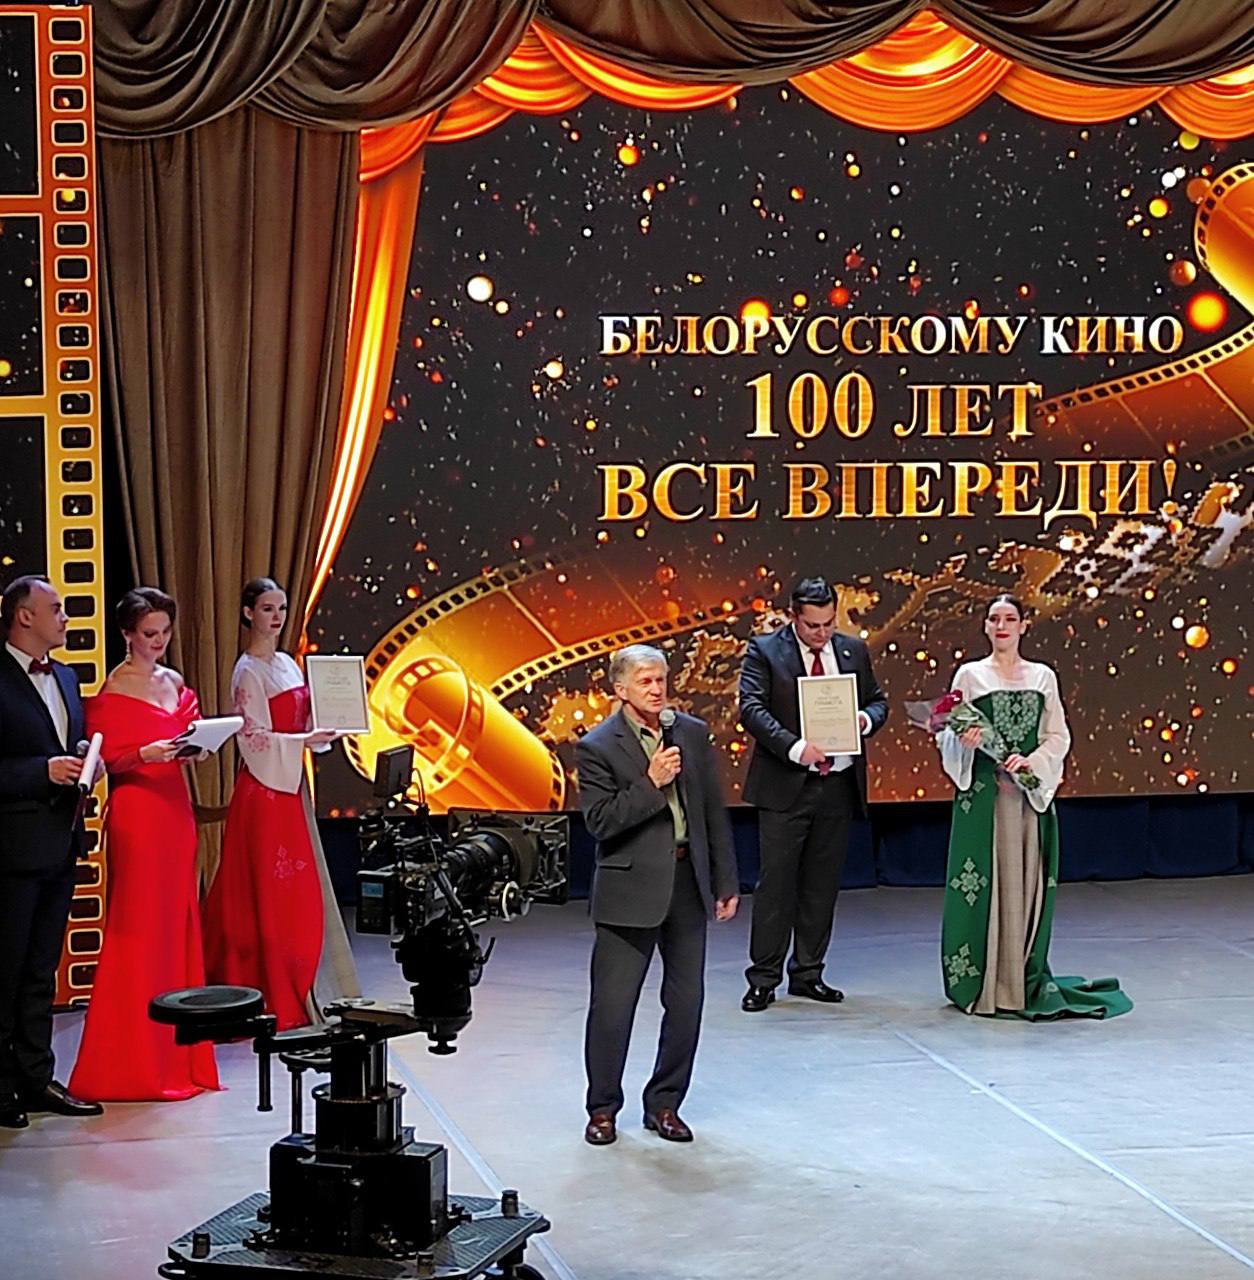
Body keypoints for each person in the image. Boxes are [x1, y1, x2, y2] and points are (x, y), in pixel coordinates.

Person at [937, 595, 1131, 1019]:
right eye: (994, 619)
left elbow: (1057, 736)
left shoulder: (1043, 676)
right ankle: (985, 982)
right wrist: (963, 740)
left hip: (1026, 795)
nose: (1001, 626)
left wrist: (1032, 763)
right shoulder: (970, 675)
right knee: (984, 883)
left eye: (1010, 619)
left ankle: (1019, 976)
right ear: (985, 626)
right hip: (983, 797)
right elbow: (947, 731)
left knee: (1025, 880)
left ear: (1024, 625)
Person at [576, 645, 738, 1146]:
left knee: (686, 1003)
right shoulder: (597, 746)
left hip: (687, 882)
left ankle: (665, 1104)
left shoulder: (689, 732)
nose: (656, 689)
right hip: (629, 889)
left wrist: (725, 880)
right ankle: (603, 1109)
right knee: (613, 1006)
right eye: (645, 681)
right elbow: (601, 822)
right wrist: (651, 781)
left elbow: (711, 811)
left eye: (661, 679)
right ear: (620, 688)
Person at [68, 588, 220, 1100]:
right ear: (127, 634)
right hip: (137, 813)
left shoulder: (173, 681)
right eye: (149, 633)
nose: (159, 641)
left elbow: (187, 736)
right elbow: (106, 760)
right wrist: (143, 754)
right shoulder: (114, 688)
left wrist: (194, 749)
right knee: (137, 929)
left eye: (165, 632)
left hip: (176, 811)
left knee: (176, 925)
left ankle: (178, 1055)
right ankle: (130, 1060)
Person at [202, 578, 359, 1031]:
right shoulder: (247, 671)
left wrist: (328, 725)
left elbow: (303, 719)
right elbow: (252, 737)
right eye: (268, 608)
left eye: (282, 608)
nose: (276, 617)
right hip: (266, 790)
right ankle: (267, 989)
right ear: (248, 613)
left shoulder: (288, 663)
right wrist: (303, 741)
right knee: (271, 894)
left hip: (291, 786)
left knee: (296, 894)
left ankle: (301, 981)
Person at [738, 576, 888, 1012]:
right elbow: (752, 709)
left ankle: (807, 973)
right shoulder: (765, 651)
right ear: (793, 617)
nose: (822, 634)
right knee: (777, 886)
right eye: (812, 626)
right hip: (786, 786)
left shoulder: (852, 650)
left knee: (821, 886)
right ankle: (763, 978)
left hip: (837, 786)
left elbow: (878, 701)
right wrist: (795, 747)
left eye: (828, 624)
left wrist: (863, 720)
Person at [0, 575, 102, 1127]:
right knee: (6, 971)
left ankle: (36, 1078)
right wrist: (41, 770)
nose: (65, 618)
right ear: (24, 616)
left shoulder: (64, 675)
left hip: (61, 845)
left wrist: (85, 762)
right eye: (56, 609)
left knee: (43, 970)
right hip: (12, 851)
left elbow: (64, 744)